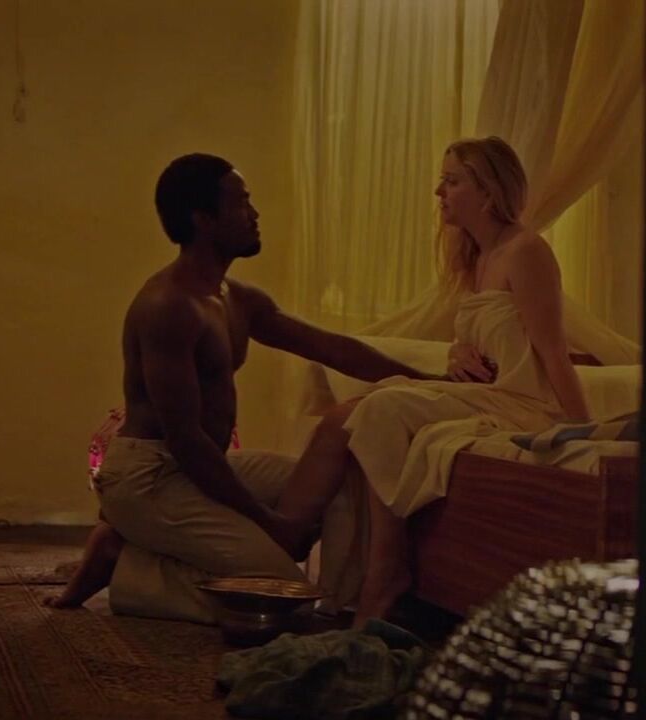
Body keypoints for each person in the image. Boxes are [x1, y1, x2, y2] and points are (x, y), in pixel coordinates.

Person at [44, 153, 442, 623]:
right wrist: (268, 522)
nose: (254, 214)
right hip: (149, 478)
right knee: (280, 596)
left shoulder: (237, 298)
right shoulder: (169, 307)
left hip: (200, 465)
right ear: (203, 219)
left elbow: (331, 348)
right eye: (241, 203)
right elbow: (185, 440)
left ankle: (338, 603)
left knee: (338, 483)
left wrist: (431, 383)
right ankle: (129, 566)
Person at [270, 136, 592, 626]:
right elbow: (492, 335)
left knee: (384, 406)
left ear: (487, 191)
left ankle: (385, 570)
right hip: (493, 395)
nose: (439, 191)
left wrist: (581, 429)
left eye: (452, 181)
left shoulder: (527, 251)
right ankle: (359, 570)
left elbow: (551, 350)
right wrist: (460, 351)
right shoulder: (480, 258)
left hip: (526, 402)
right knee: (378, 401)